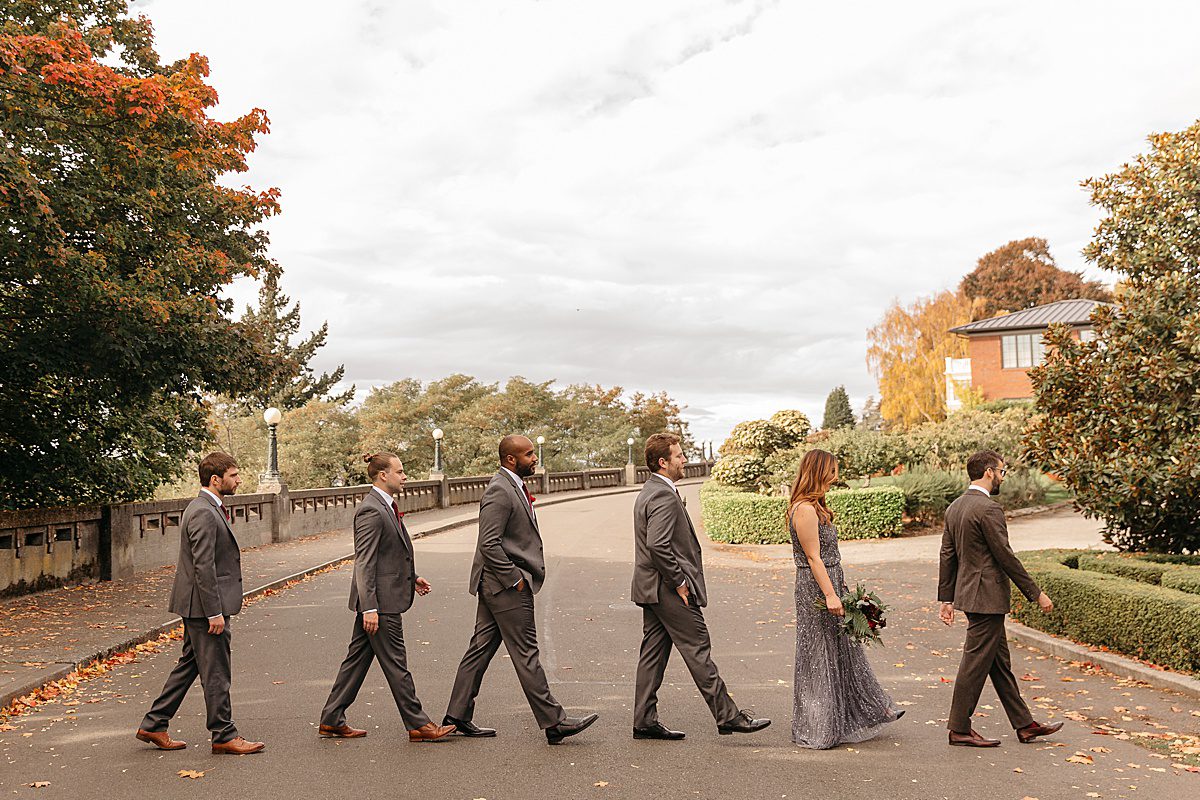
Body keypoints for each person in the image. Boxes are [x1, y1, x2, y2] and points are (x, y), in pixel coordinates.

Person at [444, 435, 598, 744]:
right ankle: (555, 722)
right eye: (529, 454)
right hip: (505, 586)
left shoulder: (512, 485)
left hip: (497, 584)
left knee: (480, 649)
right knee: (526, 651)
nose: (534, 458)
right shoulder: (500, 491)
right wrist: (514, 578)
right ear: (511, 459)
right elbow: (488, 543)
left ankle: (457, 715)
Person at [631, 432, 770, 740]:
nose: (685, 460)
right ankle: (728, 716)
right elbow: (658, 545)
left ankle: (644, 720)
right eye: (679, 456)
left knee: (652, 654)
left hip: (651, 588)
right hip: (668, 589)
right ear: (663, 462)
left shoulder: (650, 490)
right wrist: (680, 581)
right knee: (697, 648)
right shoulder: (663, 495)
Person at [318, 453, 454, 743]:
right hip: (380, 604)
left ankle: (331, 719)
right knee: (396, 664)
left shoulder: (386, 507)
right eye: (400, 472)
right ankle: (419, 725)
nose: (404, 477)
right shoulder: (371, 510)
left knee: (356, 661)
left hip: (382, 598)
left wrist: (411, 577)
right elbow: (364, 562)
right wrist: (370, 608)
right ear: (383, 475)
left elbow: (388, 555)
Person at [136, 453, 265, 755]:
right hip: (204, 607)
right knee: (217, 670)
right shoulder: (204, 512)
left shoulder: (206, 508)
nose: (239, 480)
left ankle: (154, 724)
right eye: (234, 475)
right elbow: (202, 566)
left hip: (196, 605)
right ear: (215, 479)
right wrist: (214, 612)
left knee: (190, 665)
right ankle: (223, 734)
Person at [938, 450, 1063, 747]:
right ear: (990, 472)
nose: (1003, 477)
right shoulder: (989, 508)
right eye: (1003, 471)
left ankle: (1025, 725)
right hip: (987, 597)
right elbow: (1004, 555)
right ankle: (959, 728)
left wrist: (946, 598)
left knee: (998, 663)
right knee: (974, 663)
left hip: (971, 595)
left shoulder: (955, 507)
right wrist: (1037, 593)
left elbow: (947, 555)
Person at [788, 449, 901, 749]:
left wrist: (843, 591)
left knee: (843, 648)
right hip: (816, 588)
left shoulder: (817, 506)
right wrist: (829, 595)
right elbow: (813, 557)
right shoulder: (804, 510)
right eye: (833, 470)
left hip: (833, 582)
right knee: (819, 653)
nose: (836, 476)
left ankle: (870, 709)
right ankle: (819, 725)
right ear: (819, 471)